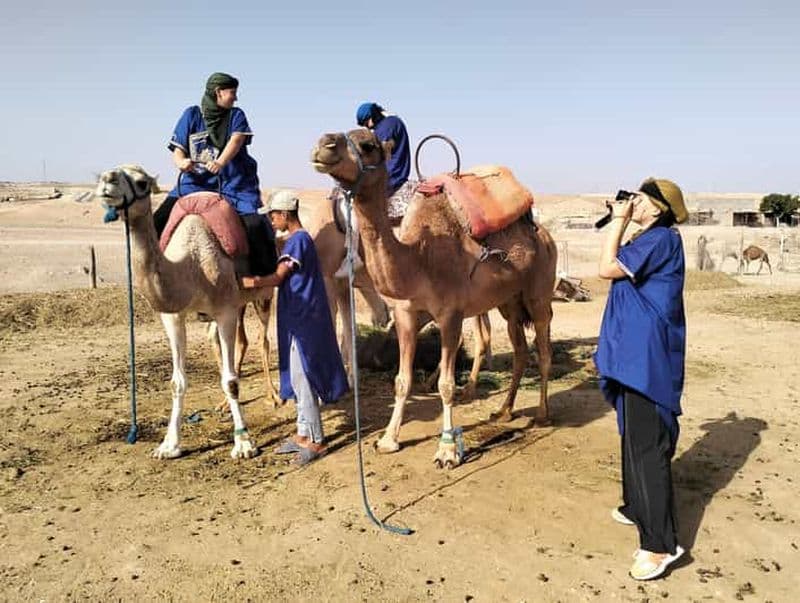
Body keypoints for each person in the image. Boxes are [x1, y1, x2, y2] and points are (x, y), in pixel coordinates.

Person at [593, 178, 689, 581]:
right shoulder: (649, 238)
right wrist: (625, 224)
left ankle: (661, 545)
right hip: (632, 357)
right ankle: (637, 506)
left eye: (640, 199)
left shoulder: (662, 239)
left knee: (647, 446)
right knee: (633, 435)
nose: (633, 203)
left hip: (646, 360)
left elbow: (605, 269)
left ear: (657, 206)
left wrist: (617, 221)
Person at [242, 191, 349, 465]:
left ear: (285, 215)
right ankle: (303, 433)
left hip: (305, 320)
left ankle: (317, 439)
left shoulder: (299, 241)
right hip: (295, 318)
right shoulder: (294, 241)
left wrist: (249, 283)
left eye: (273, 215)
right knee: (295, 376)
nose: (271, 220)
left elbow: (279, 278)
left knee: (304, 378)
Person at [154, 72, 276, 277]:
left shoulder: (236, 115)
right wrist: (181, 162)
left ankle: (260, 277)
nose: (235, 98)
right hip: (194, 182)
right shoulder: (191, 115)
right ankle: (157, 271)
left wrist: (220, 162)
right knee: (158, 219)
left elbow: (236, 140)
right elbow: (178, 149)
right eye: (232, 93)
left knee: (255, 224)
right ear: (218, 93)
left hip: (234, 183)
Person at [333, 101, 413, 278]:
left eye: (366, 122)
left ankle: (353, 256)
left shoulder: (387, 127)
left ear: (372, 116)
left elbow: (375, 158)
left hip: (390, 178)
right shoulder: (390, 124)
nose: (367, 126)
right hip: (392, 175)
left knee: (354, 205)